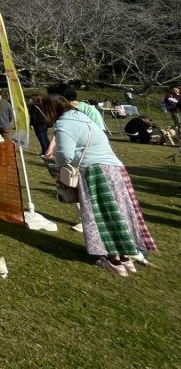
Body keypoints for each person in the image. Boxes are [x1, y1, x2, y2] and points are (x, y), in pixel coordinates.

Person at [44, 94, 155, 275]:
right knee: (120, 212)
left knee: (102, 213)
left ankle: (113, 259)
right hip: (115, 169)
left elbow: (65, 154)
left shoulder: (64, 124)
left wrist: (57, 164)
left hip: (95, 170)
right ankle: (125, 256)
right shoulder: (84, 118)